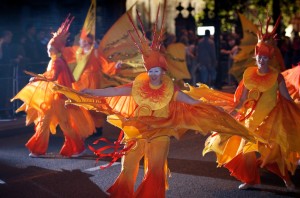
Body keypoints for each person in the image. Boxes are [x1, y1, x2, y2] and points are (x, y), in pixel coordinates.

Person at [53, 7, 255, 197]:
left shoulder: (171, 88)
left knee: (155, 170)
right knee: (128, 166)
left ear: (163, 71)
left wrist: (215, 107)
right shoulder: (138, 84)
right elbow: (114, 90)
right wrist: (90, 92)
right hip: (137, 131)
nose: (153, 75)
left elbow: (192, 102)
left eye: (156, 71)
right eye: (150, 71)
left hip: (160, 134)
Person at [203, 15, 300, 191]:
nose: (261, 60)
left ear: (269, 58)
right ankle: (251, 180)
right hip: (250, 120)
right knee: (245, 151)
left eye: (265, 57)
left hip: (270, 122)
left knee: (273, 154)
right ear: (255, 57)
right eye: (259, 57)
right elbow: (241, 99)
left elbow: (286, 97)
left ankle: (288, 181)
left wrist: (296, 107)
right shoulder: (248, 74)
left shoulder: (276, 76)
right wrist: (229, 110)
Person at [11, 16, 95, 157]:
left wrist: (37, 77)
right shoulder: (57, 60)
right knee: (49, 122)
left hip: (59, 98)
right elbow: (52, 75)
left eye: (50, 48)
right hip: (54, 97)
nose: (48, 50)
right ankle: (39, 149)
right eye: (48, 48)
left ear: (55, 50)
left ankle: (77, 148)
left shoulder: (57, 62)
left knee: (63, 124)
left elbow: (53, 76)